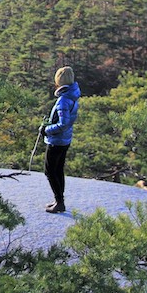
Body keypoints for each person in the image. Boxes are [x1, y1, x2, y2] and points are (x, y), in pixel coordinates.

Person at [40, 66, 81, 213]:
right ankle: (59, 200)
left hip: (56, 141)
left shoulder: (63, 100)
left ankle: (59, 202)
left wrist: (46, 130)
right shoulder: (73, 96)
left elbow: (62, 124)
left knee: (50, 171)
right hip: (65, 140)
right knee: (58, 170)